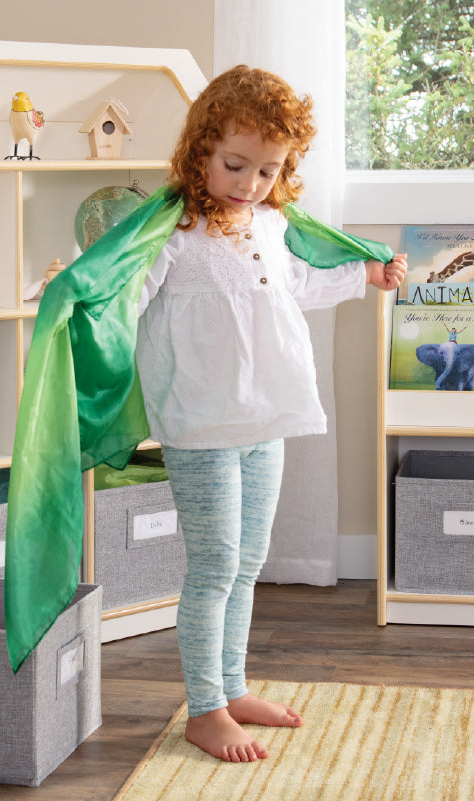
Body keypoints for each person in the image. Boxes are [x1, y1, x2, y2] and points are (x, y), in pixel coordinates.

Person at [134, 65, 407, 764]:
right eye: (235, 164)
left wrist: (364, 277)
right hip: (200, 422)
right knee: (214, 561)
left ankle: (230, 686)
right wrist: (75, 291)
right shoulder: (174, 230)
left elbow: (297, 289)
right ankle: (203, 708)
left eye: (266, 170)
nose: (249, 183)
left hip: (267, 413)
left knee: (247, 559)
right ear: (200, 149)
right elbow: (123, 290)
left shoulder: (271, 223)